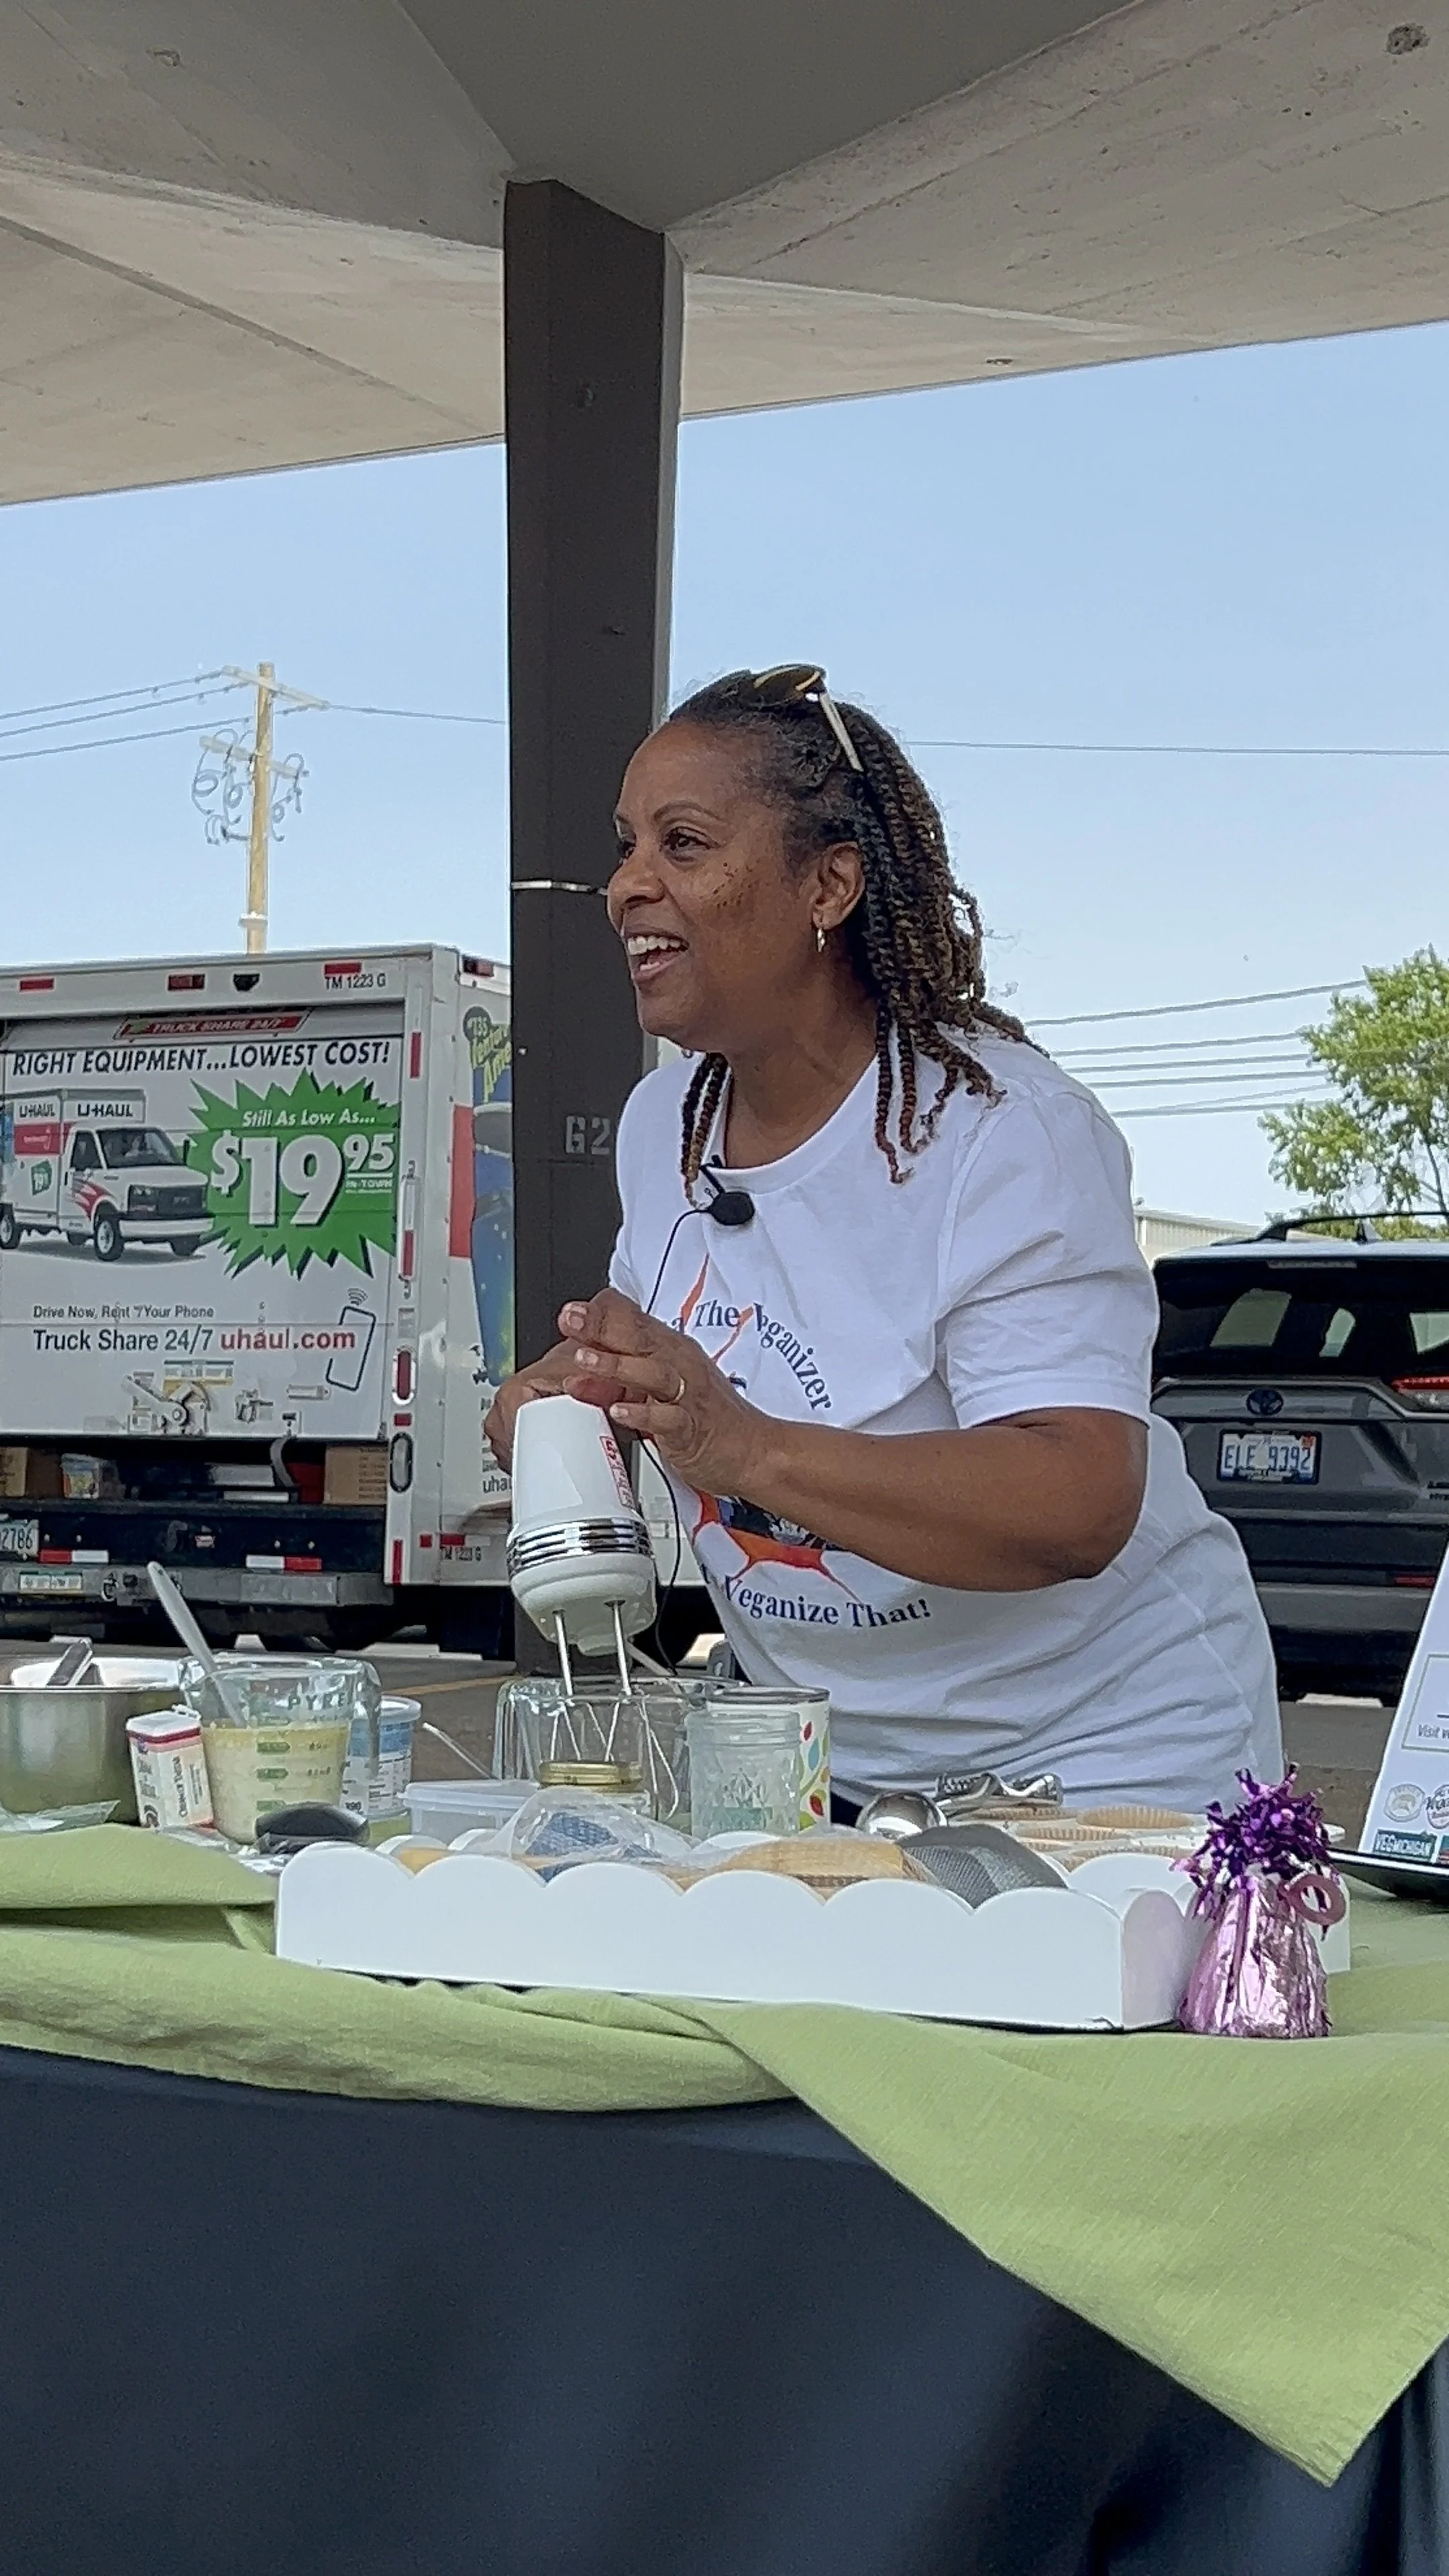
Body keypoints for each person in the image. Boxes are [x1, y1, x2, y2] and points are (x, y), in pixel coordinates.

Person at [486, 665, 1281, 1813]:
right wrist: (579, 1401)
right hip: (833, 1768)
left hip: (1107, 1767)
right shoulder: (666, 1121)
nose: (626, 888)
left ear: (832, 884)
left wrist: (743, 1446)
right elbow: (686, 1378)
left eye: (685, 844)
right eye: (625, 847)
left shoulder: (1009, 1134)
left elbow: (1078, 1501)